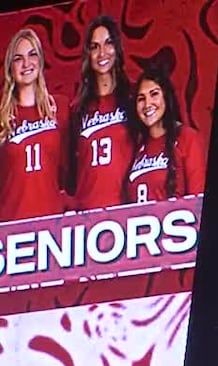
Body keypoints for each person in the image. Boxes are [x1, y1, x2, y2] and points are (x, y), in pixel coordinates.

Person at [69, 15, 135, 210]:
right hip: (87, 215)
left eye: (108, 43)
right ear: (88, 54)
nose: (102, 53)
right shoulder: (77, 109)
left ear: (117, 48)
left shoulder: (133, 99)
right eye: (94, 46)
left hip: (126, 212)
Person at [0, 29, 67, 221]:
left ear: (41, 60)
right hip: (10, 224)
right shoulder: (2, 117)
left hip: (51, 223)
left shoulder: (60, 108)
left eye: (32, 55)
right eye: (18, 58)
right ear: (10, 68)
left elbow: (68, 168)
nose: (26, 64)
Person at [126, 68, 206, 202]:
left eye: (154, 94)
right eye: (141, 98)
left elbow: (197, 200)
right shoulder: (136, 148)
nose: (147, 104)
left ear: (166, 97)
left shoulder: (187, 138)